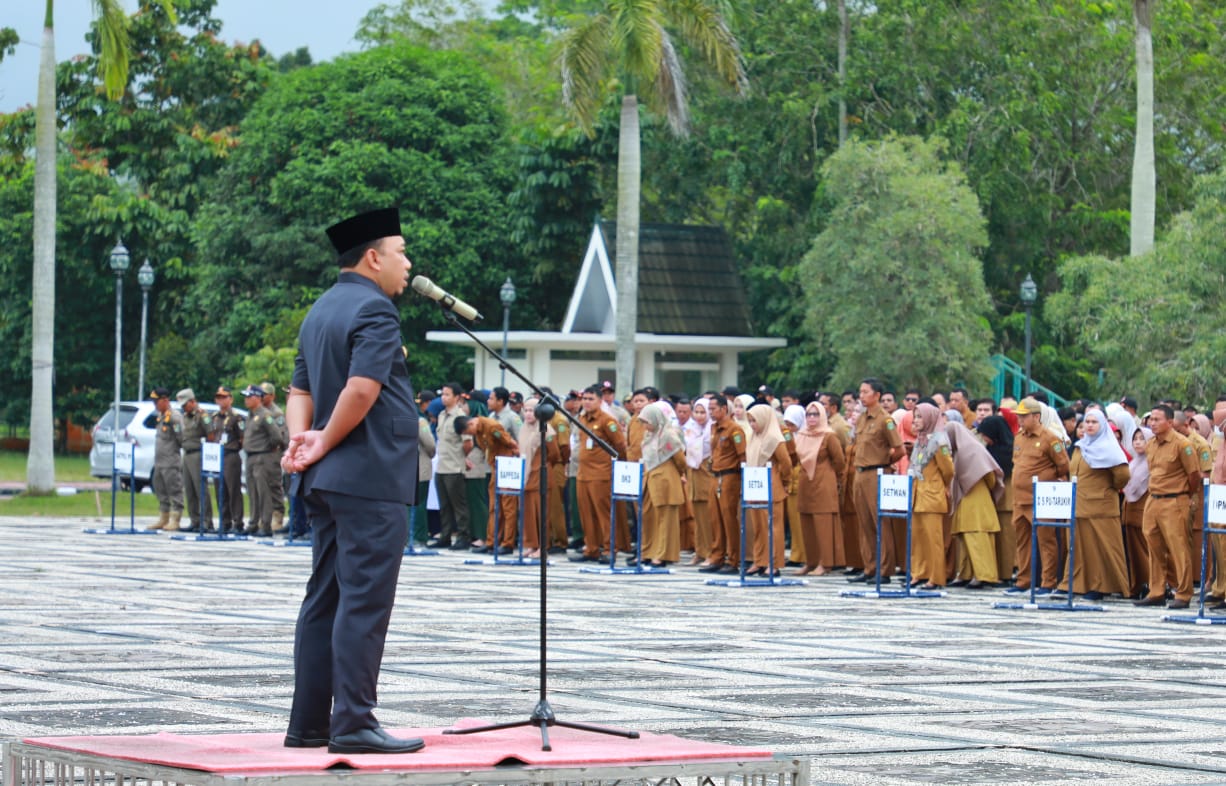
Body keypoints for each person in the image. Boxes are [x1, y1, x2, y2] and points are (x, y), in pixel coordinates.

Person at [280, 207, 423, 755]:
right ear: (372, 257)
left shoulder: (321, 310)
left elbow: (300, 391)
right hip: (368, 475)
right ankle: (355, 721)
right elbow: (361, 390)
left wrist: (304, 439)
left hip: (328, 479)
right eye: (400, 252)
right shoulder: (376, 309)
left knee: (326, 598)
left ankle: (310, 722)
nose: (406, 264)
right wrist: (322, 439)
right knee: (363, 601)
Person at [1057, 408, 1129, 600]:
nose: (1089, 425)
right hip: (1079, 505)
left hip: (1101, 506)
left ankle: (1101, 586)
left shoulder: (1110, 447)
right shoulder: (1081, 447)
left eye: (1093, 422)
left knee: (1101, 547)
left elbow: (1122, 476)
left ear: (1102, 425)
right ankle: (1074, 583)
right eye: (1086, 422)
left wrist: (1106, 489)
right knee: (1078, 547)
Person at [1134, 405, 1201, 609]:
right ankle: (1157, 591)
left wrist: (1186, 496)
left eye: (1157, 419)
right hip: (1153, 499)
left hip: (1175, 500)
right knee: (1153, 546)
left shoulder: (1182, 444)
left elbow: (1194, 475)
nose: (1152, 423)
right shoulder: (1151, 444)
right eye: (1151, 419)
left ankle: (1183, 593)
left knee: (1178, 547)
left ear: (1170, 422)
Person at [1005, 397, 1069, 595]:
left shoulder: (1051, 438)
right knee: (1022, 541)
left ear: (1036, 417)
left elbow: (1063, 465)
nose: (1020, 420)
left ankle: (1048, 582)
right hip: (1020, 499)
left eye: (1024, 417)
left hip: (1040, 500)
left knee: (1046, 540)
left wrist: (1046, 479)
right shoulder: (1019, 437)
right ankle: (1024, 580)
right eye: (1019, 417)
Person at [848, 378, 904, 583]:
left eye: (865, 392)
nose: (861, 395)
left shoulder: (885, 419)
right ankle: (870, 566)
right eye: (860, 392)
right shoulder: (862, 418)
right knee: (864, 523)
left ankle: (885, 569)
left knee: (880, 522)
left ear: (877, 395)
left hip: (876, 473)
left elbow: (899, 449)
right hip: (860, 473)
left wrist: (885, 462)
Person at [945, 419, 1004, 589]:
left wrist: (975, 483)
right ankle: (965, 573)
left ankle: (984, 575)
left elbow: (990, 476)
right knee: (964, 537)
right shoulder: (959, 451)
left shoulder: (973, 450)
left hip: (977, 500)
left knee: (977, 537)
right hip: (966, 499)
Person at [571, 385, 627, 562]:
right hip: (583, 473)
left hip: (601, 473)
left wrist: (617, 467)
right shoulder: (582, 419)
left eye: (591, 399)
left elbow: (620, 446)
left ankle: (610, 548)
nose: (586, 402)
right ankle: (591, 548)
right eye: (584, 399)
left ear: (600, 401)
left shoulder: (607, 421)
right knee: (586, 514)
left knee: (604, 514)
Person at [792, 401, 845, 576]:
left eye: (815, 414)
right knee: (806, 525)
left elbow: (839, 461)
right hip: (805, 483)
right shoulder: (801, 435)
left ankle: (825, 563)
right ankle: (811, 561)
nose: (812, 418)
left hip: (823, 483)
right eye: (809, 415)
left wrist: (832, 477)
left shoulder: (829, 436)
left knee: (823, 524)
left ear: (822, 416)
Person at [699, 395, 747, 574]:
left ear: (724, 409)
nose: (710, 412)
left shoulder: (735, 430)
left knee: (728, 519)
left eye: (713, 409)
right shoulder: (713, 428)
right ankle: (717, 556)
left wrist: (743, 482)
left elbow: (742, 456)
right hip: (715, 475)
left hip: (730, 477)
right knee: (715, 518)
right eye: (709, 409)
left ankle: (733, 559)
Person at [636, 402, 687, 567]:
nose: (645, 426)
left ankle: (663, 554)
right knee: (650, 517)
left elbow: (680, 460)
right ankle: (648, 551)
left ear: (656, 419)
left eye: (647, 422)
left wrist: (682, 473)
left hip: (666, 479)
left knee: (666, 518)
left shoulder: (668, 436)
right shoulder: (649, 436)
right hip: (651, 479)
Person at [908, 403, 953, 589]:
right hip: (918, 495)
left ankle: (936, 577)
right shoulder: (920, 439)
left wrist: (941, 485)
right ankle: (919, 573)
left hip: (932, 495)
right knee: (918, 538)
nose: (916, 421)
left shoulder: (939, 441)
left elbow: (949, 470)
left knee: (934, 539)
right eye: (915, 417)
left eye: (919, 417)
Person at [745, 404, 793, 576]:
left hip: (771, 485)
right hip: (755, 485)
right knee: (758, 526)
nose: (752, 424)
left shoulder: (774, 438)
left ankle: (774, 563)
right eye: (750, 421)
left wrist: (784, 481)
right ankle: (760, 560)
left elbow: (786, 463)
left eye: (755, 420)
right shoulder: (753, 438)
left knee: (773, 526)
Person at [242, 384, 287, 537]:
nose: (246, 400)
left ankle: (266, 524)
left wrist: (268, 448)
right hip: (251, 456)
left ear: (257, 398)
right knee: (252, 491)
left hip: (262, 456)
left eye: (249, 397)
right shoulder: (250, 415)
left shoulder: (265, 415)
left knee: (264, 492)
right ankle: (254, 522)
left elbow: (277, 436)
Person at [430, 382, 472, 550]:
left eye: (448, 395)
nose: (444, 397)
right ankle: (445, 536)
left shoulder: (460, 416)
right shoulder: (441, 414)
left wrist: (462, 458)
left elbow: (467, 443)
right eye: (443, 394)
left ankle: (463, 537)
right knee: (444, 505)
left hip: (454, 467)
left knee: (459, 506)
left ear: (457, 397)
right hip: (441, 466)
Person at [976, 414, 1016, 585]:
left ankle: (1008, 572)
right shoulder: (990, 450)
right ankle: (998, 572)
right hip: (994, 500)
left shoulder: (1009, 451)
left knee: (1007, 541)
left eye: (987, 435)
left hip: (1008, 500)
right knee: (998, 540)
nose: (984, 438)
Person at [519, 397, 560, 559]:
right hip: (526, 475)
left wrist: (541, 464)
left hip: (540, 474)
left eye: (532, 411)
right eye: (526, 410)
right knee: (528, 512)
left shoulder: (547, 430)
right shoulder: (523, 428)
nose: (529, 414)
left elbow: (554, 454)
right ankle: (531, 544)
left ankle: (543, 547)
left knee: (541, 512)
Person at [207, 385, 245, 533]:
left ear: (230, 399)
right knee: (219, 489)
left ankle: (238, 522)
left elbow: (242, 438)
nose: (220, 400)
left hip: (231, 454)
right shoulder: (215, 417)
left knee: (233, 489)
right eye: (218, 397)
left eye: (224, 397)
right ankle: (225, 521)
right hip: (217, 455)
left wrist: (234, 448)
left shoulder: (236, 417)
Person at [1121, 426, 1153, 600]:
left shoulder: (1151, 463)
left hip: (1143, 513)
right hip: (1129, 513)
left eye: (1142, 438)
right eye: (1135, 438)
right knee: (1133, 553)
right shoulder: (1133, 462)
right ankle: (1136, 586)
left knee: (1144, 552)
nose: (1138, 442)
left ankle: (1151, 585)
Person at [147, 387, 184, 532]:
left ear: (165, 400)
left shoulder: (174, 417)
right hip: (160, 461)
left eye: (156, 401)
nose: (154, 405)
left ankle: (175, 518)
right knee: (160, 489)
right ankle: (164, 517)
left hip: (170, 461)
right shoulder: (161, 416)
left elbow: (181, 437)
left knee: (174, 490)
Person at [176, 388, 213, 533]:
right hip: (187, 453)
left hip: (198, 453)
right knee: (189, 489)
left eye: (186, 404)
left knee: (200, 489)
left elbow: (211, 435)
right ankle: (195, 520)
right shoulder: (186, 416)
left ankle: (206, 521)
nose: (184, 407)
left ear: (193, 401)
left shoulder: (202, 416)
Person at [684, 397, 714, 565]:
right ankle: (699, 551)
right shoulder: (691, 429)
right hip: (693, 476)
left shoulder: (712, 430)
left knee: (708, 518)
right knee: (697, 516)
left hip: (706, 474)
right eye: (697, 412)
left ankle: (710, 551)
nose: (700, 416)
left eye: (703, 412)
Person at [260, 382, 289, 533]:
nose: (261, 397)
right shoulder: (258, 411)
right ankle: (264, 515)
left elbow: (281, 435)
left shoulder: (276, 413)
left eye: (264, 394)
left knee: (274, 484)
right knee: (262, 485)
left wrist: (273, 446)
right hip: (262, 453)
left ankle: (278, 515)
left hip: (273, 452)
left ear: (272, 396)